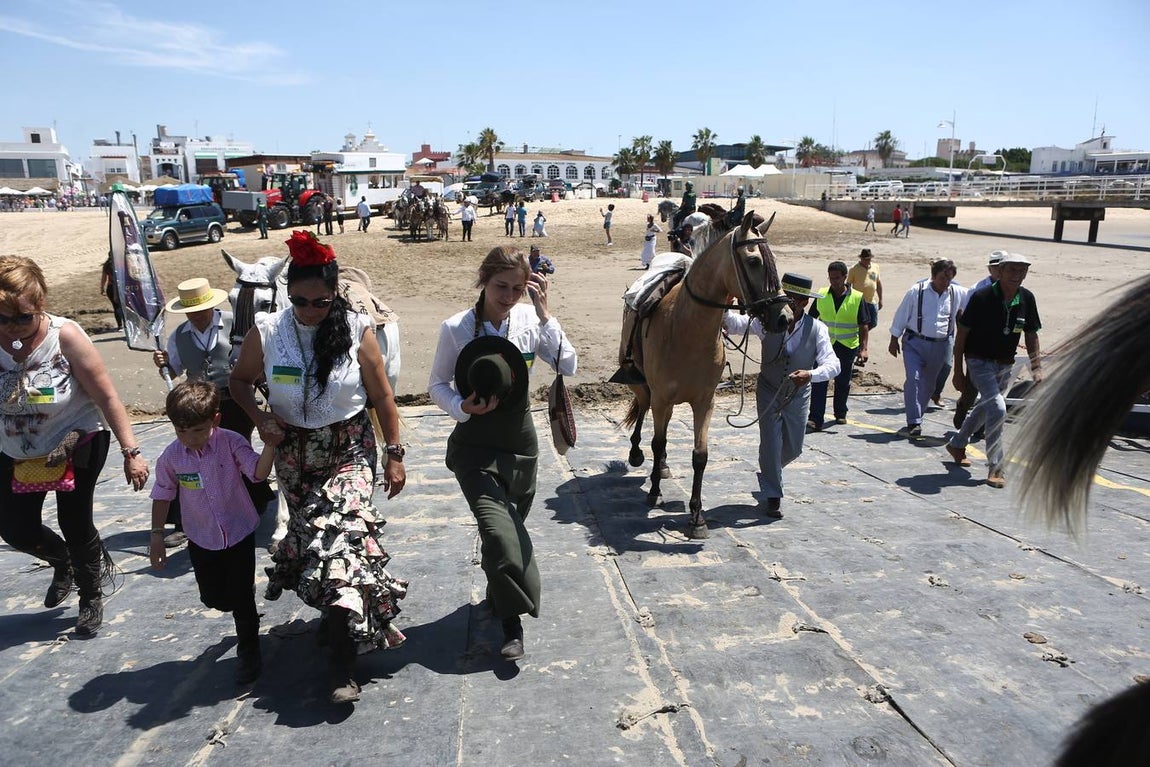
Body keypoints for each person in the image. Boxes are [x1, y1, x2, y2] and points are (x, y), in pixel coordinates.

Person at [229, 231, 407, 704]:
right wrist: (261, 417)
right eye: (301, 301)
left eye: (321, 302)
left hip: (348, 448)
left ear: (335, 294)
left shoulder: (357, 329)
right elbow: (240, 382)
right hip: (293, 456)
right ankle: (336, 622)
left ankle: (342, 667)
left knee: (342, 542)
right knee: (316, 547)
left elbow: (383, 396)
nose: (310, 310)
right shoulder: (267, 332)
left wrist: (394, 453)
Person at [429, 246, 577, 661]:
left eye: (518, 287)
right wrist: (461, 408)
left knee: (506, 537)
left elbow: (568, 364)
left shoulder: (530, 321)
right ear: (483, 279)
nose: (509, 295)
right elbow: (437, 385)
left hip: (521, 448)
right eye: (501, 286)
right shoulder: (456, 328)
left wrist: (546, 314)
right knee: (500, 534)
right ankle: (513, 624)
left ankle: (499, 592)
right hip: (474, 447)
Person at [0, 255, 150, 637]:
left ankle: (90, 595)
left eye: (23, 317)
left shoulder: (64, 336)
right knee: (15, 528)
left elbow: (108, 397)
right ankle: (62, 560)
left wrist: (131, 452)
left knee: (74, 518)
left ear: (41, 304)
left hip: (76, 438)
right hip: (17, 448)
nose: (13, 327)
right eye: (3, 318)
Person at [149, 380, 281, 684]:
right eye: (181, 431)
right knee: (214, 598)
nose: (189, 439)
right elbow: (163, 493)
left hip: (238, 531)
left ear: (215, 421)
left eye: (197, 430)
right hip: (201, 537)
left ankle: (249, 652)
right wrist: (157, 537)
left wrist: (271, 445)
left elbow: (257, 474)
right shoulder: (172, 457)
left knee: (242, 598)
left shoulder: (231, 442)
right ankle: (236, 606)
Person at [152, 277, 274, 529]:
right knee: (193, 453)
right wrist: (163, 364)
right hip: (199, 404)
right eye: (191, 311)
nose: (196, 315)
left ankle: (253, 497)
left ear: (210, 305)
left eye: (200, 309)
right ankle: (185, 516)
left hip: (235, 398)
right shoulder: (179, 336)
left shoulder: (234, 324)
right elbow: (174, 370)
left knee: (234, 448)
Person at [723, 273, 839, 518]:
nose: (790, 302)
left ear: (805, 302)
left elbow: (833, 364)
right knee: (771, 443)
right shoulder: (767, 322)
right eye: (786, 297)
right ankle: (773, 495)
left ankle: (769, 472)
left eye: (796, 298)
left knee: (794, 448)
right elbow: (734, 325)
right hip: (768, 390)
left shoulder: (817, 329)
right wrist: (725, 303)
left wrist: (811, 374)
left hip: (798, 395)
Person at [945, 253, 1042, 488]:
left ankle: (957, 443)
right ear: (999, 271)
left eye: (1022, 271)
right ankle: (996, 467)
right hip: (978, 361)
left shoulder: (1026, 298)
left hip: (1005, 364)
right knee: (998, 408)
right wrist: (958, 370)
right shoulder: (982, 297)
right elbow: (962, 335)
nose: (1017, 276)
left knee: (986, 405)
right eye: (1012, 271)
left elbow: (1031, 334)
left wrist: (1036, 367)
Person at [887, 259, 966, 438]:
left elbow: (977, 296)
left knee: (929, 384)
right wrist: (894, 339)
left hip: (940, 345)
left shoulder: (957, 293)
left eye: (949, 278)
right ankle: (913, 421)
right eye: (941, 278)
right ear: (933, 276)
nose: (945, 282)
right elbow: (901, 314)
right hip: (914, 342)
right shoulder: (917, 291)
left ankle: (918, 415)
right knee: (913, 379)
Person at [808, 261, 869, 430]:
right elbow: (811, 318)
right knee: (819, 380)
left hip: (847, 346)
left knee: (842, 382)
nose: (833, 281)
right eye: (831, 278)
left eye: (837, 278)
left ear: (845, 277)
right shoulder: (821, 295)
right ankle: (815, 418)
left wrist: (863, 349)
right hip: (824, 346)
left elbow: (864, 324)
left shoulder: (856, 297)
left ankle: (840, 413)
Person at [847, 248, 882, 332]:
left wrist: (881, 299)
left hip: (871, 301)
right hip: (859, 302)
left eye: (869, 259)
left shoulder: (875, 267)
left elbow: (878, 283)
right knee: (860, 322)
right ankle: (861, 336)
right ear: (861, 259)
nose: (868, 261)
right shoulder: (854, 269)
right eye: (866, 259)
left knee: (873, 322)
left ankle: (862, 334)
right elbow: (848, 284)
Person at [99, 254, 123, 330]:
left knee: (116, 307)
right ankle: (126, 324)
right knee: (124, 306)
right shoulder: (121, 263)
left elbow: (104, 278)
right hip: (121, 287)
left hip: (111, 288)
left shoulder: (107, 265)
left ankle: (120, 325)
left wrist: (102, 288)